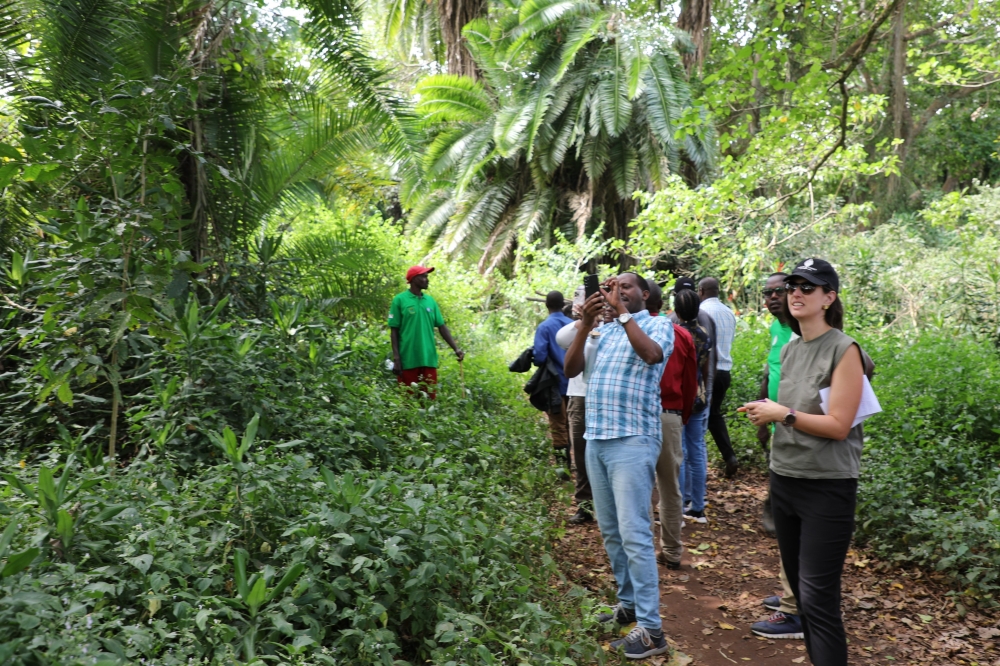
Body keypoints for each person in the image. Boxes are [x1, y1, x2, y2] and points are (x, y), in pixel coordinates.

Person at [738, 258, 865, 666]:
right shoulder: (791, 347)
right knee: (801, 597)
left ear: (829, 298)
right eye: (792, 284)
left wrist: (783, 415)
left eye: (807, 287)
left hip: (826, 487)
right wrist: (768, 409)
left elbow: (840, 425)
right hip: (785, 479)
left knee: (818, 599)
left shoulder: (844, 350)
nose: (795, 292)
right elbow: (788, 406)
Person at [564, 273, 674, 660]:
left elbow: (652, 356)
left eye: (626, 286)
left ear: (644, 294)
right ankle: (627, 605)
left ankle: (652, 630)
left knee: (634, 533)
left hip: (633, 440)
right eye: (612, 286)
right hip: (597, 439)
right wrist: (586, 325)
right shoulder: (604, 331)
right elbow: (570, 369)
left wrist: (623, 312)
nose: (616, 290)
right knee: (610, 530)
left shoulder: (659, 324)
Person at [749, 272, 805, 640]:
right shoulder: (777, 328)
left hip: (802, 434)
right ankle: (793, 594)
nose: (771, 297)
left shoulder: (808, 331)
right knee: (787, 524)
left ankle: (796, 610)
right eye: (766, 292)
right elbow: (771, 370)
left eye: (778, 291)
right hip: (778, 432)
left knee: (798, 524)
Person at [647, 283, 697, 569]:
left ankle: (642, 551)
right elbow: (691, 383)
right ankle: (672, 551)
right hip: (670, 414)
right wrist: (681, 416)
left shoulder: (628, 333)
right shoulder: (680, 335)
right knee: (670, 487)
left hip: (639, 416)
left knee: (641, 487)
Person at [389, 266, 464, 397]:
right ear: (413, 279)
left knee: (429, 400)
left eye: (427, 277)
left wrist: (456, 349)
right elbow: (394, 330)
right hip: (408, 359)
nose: (426, 280)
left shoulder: (430, 301)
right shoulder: (400, 300)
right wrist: (397, 359)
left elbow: (441, 326)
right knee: (408, 401)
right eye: (423, 277)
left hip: (428, 358)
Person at [672, 289, 713, 525]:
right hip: (699, 395)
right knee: (697, 450)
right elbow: (704, 368)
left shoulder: (675, 333)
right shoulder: (704, 334)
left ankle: (679, 504)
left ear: (677, 312)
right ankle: (698, 506)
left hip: (679, 396)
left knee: (680, 452)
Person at [555, 287, 596, 524]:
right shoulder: (577, 328)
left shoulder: (614, 322)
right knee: (580, 453)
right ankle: (585, 505)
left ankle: (608, 503)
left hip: (606, 397)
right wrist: (584, 321)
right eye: (580, 298)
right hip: (579, 396)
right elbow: (561, 340)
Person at [698, 277, 739, 478]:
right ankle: (728, 458)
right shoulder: (729, 313)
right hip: (725, 371)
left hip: (710, 372)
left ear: (701, 291)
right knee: (713, 414)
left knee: (705, 415)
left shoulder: (702, 313)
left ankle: (721, 458)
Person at [534, 290, 574, 467]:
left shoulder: (544, 327)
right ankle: (579, 465)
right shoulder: (574, 324)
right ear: (563, 304)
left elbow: (540, 357)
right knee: (573, 423)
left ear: (546, 305)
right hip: (575, 382)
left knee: (558, 424)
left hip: (554, 383)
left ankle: (563, 468)